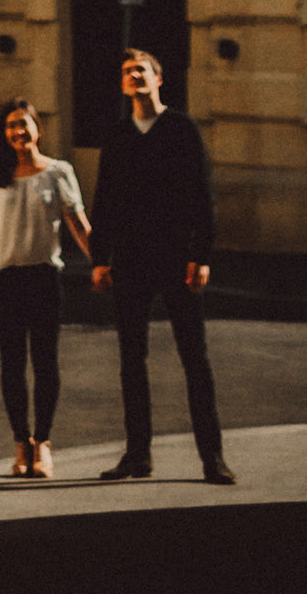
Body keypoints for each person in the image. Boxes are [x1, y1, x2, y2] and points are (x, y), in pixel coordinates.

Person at [90, 48, 235, 485]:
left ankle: (213, 458)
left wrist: (201, 255)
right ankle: (138, 455)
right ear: (123, 85)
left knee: (195, 358)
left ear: (158, 79)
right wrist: (99, 258)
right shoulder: (117, 136)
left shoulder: (182, 129)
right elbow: (105, 200)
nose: (134, 76)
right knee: (131, 360)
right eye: (127, 72)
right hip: (130, 260)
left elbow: (202, 193)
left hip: (176, 257)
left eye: (142, 70)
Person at [0, 98, 92, 479]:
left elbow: (77, 222)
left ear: (37, 129)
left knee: (44, 362)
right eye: (11, 126)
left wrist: (101, 262)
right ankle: (20, 443)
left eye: (24, 125)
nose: (18, 132)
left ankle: (42, 443)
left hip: (43, 276)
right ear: (3, 134)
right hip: (5, 278)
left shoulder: (58, 172)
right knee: (11, 364)